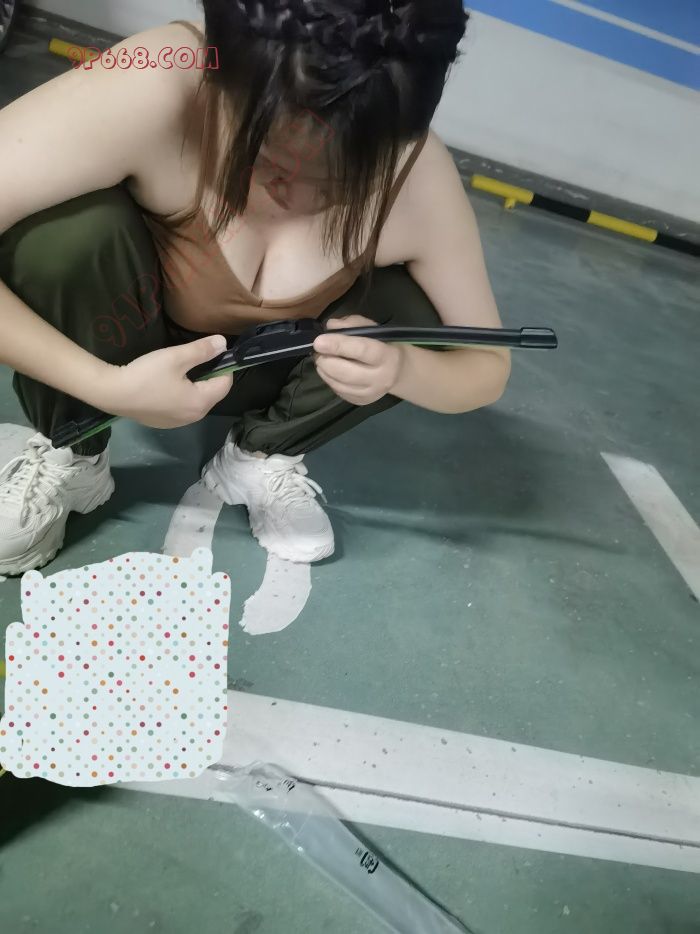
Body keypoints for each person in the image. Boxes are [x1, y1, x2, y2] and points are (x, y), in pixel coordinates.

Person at [0, 0, 510, 575]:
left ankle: (261, 454)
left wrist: (401, 369)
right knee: (58, 238)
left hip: (270, 367)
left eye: (337, 181)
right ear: (216, 80)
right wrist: (103, 386)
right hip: (121, 336)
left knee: (415, 316)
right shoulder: (158, 74)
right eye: (268, 162)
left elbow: (488, 366)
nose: (295, 195)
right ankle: (75, 452)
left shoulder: (417, 174)